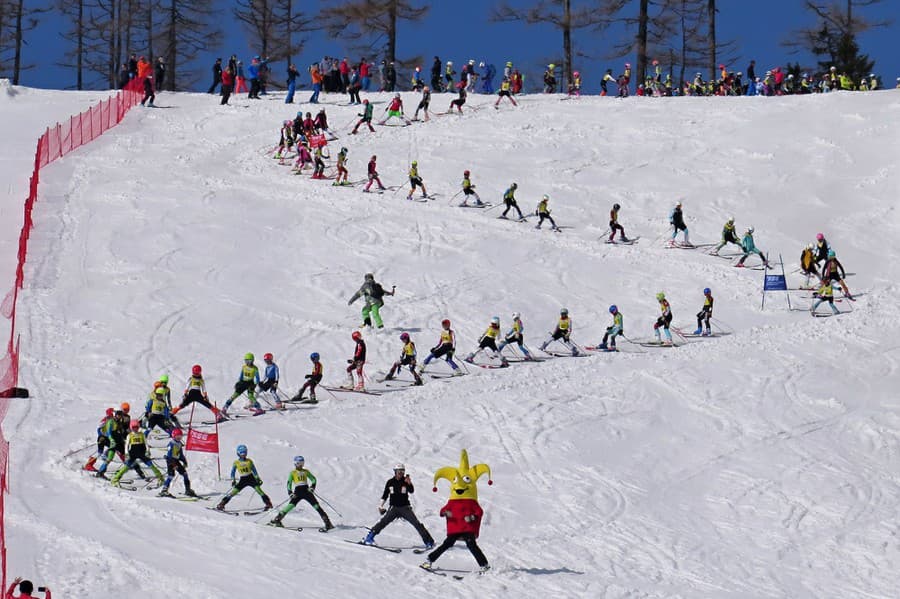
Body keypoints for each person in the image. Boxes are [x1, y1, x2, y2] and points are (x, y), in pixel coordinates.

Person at [363, 463, 435, 548]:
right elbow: (385, 495)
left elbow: (411, 490)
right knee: (383, 522)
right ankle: (369, 538)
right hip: (393, 508)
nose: (400, 473)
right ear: (395, 472)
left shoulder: (405, 481)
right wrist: (380, 506)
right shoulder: (390, 482)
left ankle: (429, 542)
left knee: (416, 524)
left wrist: (409, 483)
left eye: (402, 471)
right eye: (398, 471)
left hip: (405, 508)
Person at [269, 456, 334, 531]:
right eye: (299, 463)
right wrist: (290, 492)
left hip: (306, 491)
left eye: (302, 463)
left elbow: (313, 479)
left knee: (316, 506)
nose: (301, 465)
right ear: (295, 463)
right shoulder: (292, 473)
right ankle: (277, 520)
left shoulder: (305, 471)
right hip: (298, 492)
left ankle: (328, 523)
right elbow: (289, 483)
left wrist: (312, 487)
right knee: (290, 506)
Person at [216, 445, 273, 511]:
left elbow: (254, 470)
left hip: (251, 478)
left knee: (259, 491)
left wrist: (257, 478)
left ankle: (268, 503)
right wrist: (233, 480)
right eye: (241, 453)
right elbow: (233, 472)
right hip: (243, 480)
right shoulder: (236, 462)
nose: (243, 455)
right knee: (233, 492)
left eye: (245, 453)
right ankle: (222, 504)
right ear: (238, 454)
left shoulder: (249, 461)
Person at [110, 419, 164, 487]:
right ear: (131, 427)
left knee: (151, 465)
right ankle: (115, 479)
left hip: (142, 453)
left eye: (136, 427)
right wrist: (127, 454)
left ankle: (160, 478)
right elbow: (127, 445)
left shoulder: (142, 435)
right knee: (127, 466)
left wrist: (147, 451)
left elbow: (146, 443)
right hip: (133, 453)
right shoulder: (129, 435)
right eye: (134, 427)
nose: (135, 429)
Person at [220, 353, 264, 419]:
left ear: (252, 361)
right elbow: (241, 376)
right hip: (243, 383)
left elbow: (257, 379)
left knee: (251, 396)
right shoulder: (244, 367)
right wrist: (238, 383)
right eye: (246, 361)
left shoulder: (255, 368)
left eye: (249, 361)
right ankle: (224, 408)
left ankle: (259, 409)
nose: (247, 362)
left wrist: (254, 384)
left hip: (250, 383)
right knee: (234, 395)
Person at [158, 428, 196, 498]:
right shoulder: (171, 444)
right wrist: (173, 464)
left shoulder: (179, 444)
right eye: (177, 436)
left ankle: (188, 490)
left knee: (185, 474)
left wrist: (184, 461)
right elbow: (169, 455)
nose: (179, 438)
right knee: (171, 475)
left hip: (176, 461)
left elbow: (180, 454)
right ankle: (164, 490)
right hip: (171, 461)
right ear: (173, 436)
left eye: (180, 436)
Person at [83, 407, 115, 472]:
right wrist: (101, 436)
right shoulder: (104, 420)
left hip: (108, 438)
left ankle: (105, 455)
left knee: (114, 448)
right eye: (112, 413)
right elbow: (98, 429)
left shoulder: (113, 421)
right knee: (99, 452)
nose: (113, 415)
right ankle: (89, 465)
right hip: (102, 438)